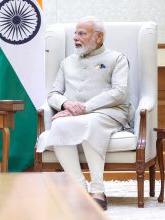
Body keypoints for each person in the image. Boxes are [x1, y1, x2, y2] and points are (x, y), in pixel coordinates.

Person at [41, 16, 133, 210]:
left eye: (82, 33)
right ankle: (79, 188)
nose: (76, 37)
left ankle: (98, 189)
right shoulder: (67, 62)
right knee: (58, 124)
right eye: (75, 33)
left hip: (110, 112)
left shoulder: (116, 58)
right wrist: (66, 103)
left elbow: (119, 92)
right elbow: (53, 94)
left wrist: (83, 108)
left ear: (99, 37)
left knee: (89, 122)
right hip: (76, 115)